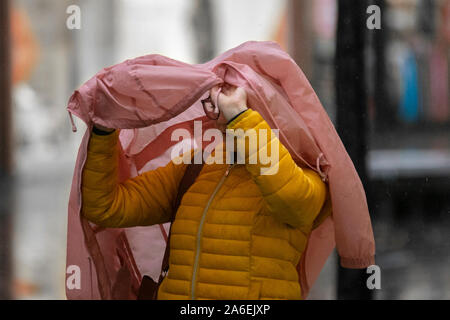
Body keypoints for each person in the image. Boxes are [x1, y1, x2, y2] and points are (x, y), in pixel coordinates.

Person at [81, 84, 328, 300]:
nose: (219, 114)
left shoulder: (306, 175)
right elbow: (105, 207)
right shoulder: (197, 167)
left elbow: (290, 197)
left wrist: (242, 118)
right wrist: (104, 130)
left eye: (238, 102)